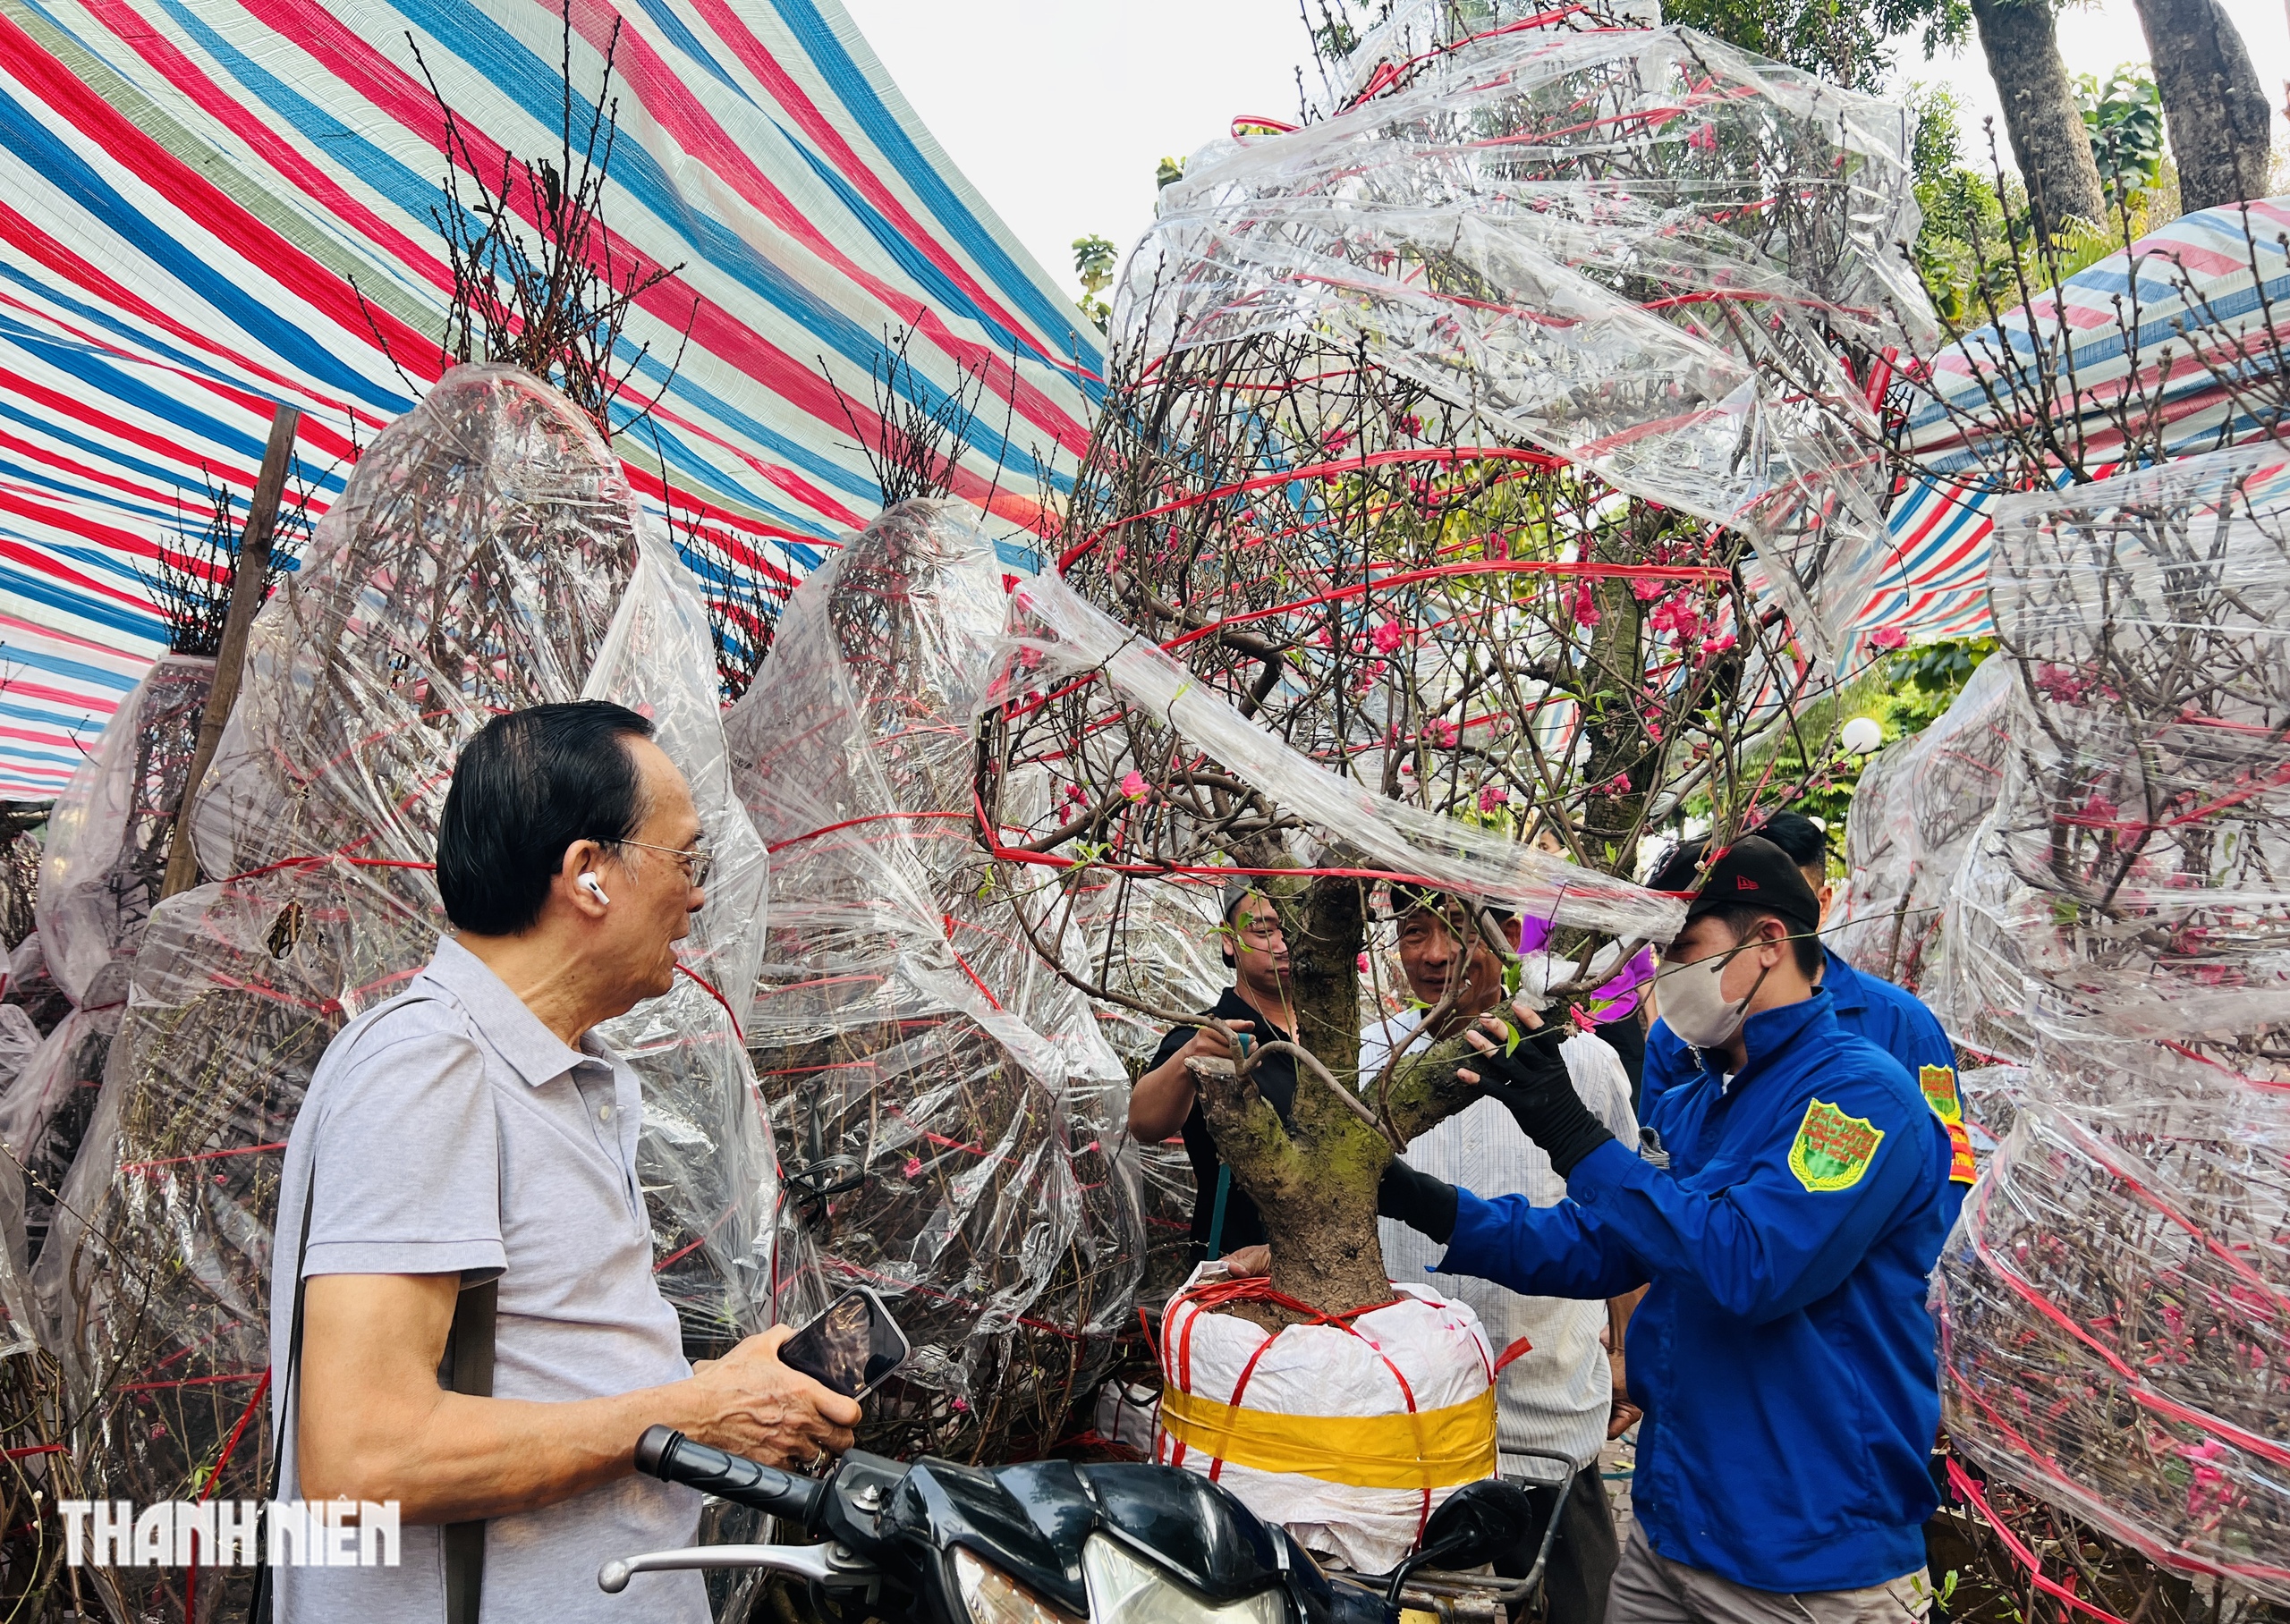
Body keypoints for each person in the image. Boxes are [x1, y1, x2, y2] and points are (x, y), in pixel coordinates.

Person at [270, 703, 862, 1622]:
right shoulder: (431, 1069)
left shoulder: (543, 1070)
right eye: (686, 860)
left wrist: (712, 1392)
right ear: (589, 873)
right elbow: (365, 1458)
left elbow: (540, 1376)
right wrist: (692, 1419)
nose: (698, 896)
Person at [1379, 837, 1955, 1624]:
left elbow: (1749, 1264)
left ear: (1766, 944)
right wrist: (1423, 1202)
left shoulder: (1859, 1097)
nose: (1662, 975)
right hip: (1674, 1524)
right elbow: (1609, 1243)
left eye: (1684, 951)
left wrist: (1577, 1139)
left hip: (1807, 1556)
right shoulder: (1698, 1092)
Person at [1359, 889, 1637, 1624]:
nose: (1434, 955)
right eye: (1413, 933)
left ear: (1507, 935)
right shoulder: (1367, 1064)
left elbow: (1627, 1224)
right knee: (1411, 1608)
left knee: (1575, 1606)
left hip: (1546, 1416)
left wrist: (1624, 1355)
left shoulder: (1583, 1062)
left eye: (1454, 931)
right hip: (1407, 1422)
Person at [1643, 812, 1975, 1208]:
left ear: (1818, 905)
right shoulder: (1678, 1031)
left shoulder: (1900, 1024)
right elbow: (1654, 1167)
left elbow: (1944, 1174)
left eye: (1784, 890)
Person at [1132, 883, 1300, 1264]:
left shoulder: (1345, 1042)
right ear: (1228, 940)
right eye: (1265, 930)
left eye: (1295, 928)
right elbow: (1143, 1122)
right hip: (1235, 1275)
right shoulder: (1211, 1037)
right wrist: (1190, 1057)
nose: (1283, 943)